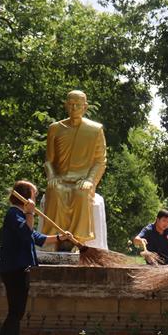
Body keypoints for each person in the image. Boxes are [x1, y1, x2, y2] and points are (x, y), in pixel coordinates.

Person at [0, 180, 73, 335]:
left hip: (17, 268)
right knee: (16, 311)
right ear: (24, 197)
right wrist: (30, 213)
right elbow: (25, 233)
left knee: (16, 309)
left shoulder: (20, 215)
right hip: (14, 269)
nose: (35, 199)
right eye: (34, 195)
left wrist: (60, 237)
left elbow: (37, 238)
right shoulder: (14, 214)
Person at [43, 90, 107, 248]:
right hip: (61, 178)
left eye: (78, 105)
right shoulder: (55, 128)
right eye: (71, 104)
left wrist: (90, 180)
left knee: (81, 194)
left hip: (82, 180)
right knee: (55, 192)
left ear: (85, 107)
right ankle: (53, 240)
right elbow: (49, 161)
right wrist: (52, 176)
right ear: (66, 105)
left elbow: (100, 160)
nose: (74, 108)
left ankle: (78, 242)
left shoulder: (95, 130)